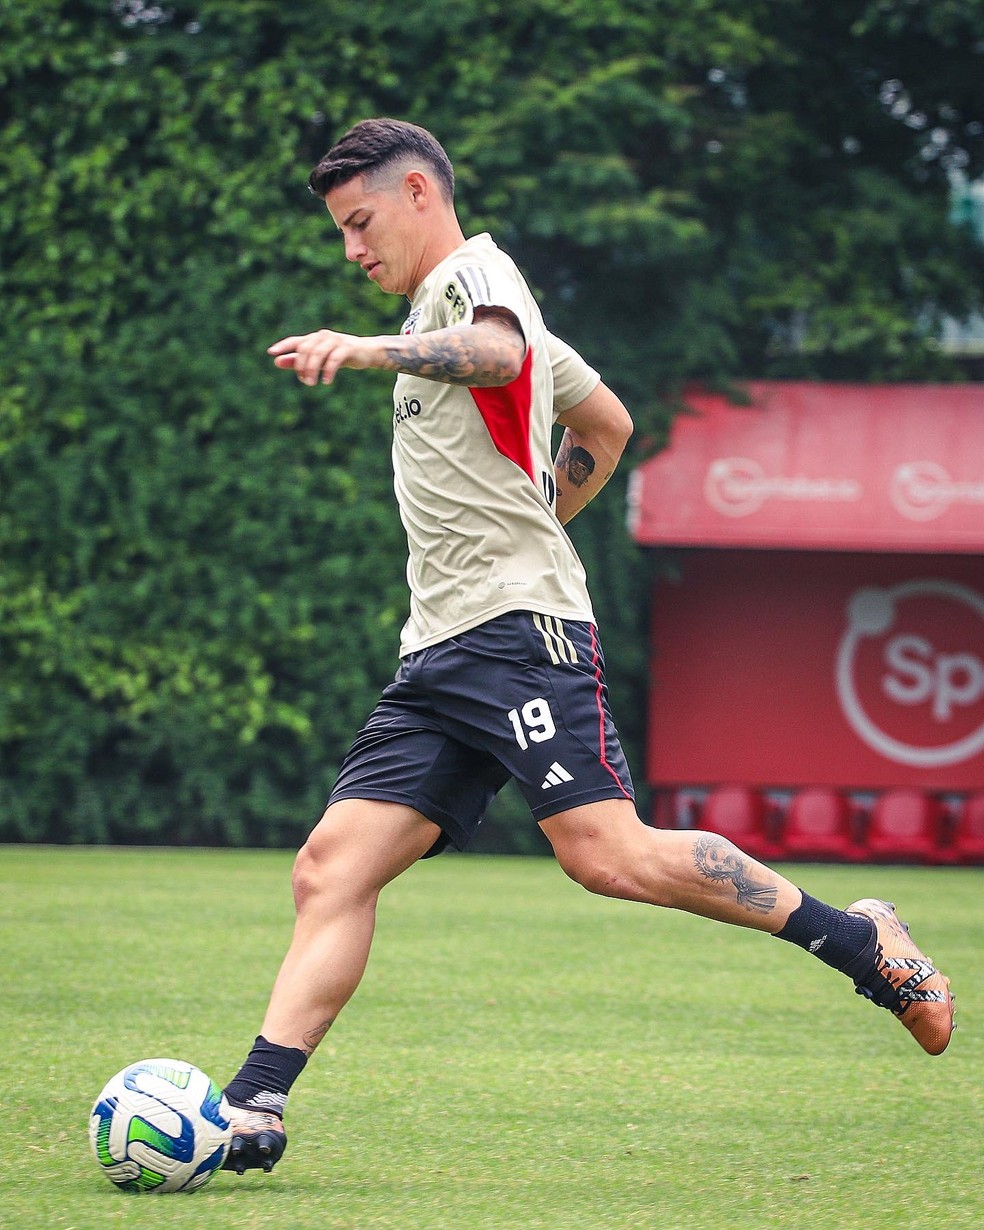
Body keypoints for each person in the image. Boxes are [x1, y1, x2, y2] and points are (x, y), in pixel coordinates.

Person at [221, 119, 954, 1175]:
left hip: (517, 640)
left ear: (420, 192)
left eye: (361, 222)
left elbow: (501, 355)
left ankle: (865, 944)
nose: (351, 252)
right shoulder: (471, 298)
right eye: (340, 232)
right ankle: (253, 1108)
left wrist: (370, 353)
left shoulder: (483, 280)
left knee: (607, 856)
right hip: (438, 651)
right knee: (330, 868)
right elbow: (605, 425)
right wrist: (541, 516)